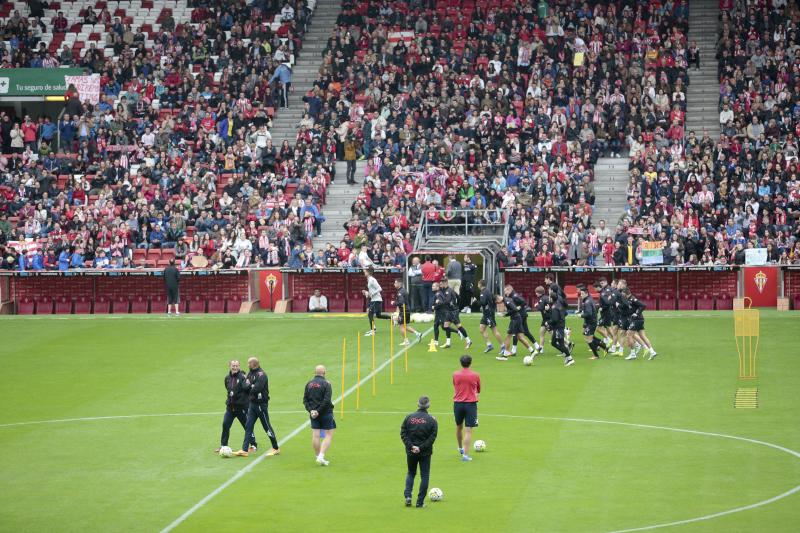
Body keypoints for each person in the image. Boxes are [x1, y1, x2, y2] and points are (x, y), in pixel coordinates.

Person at [235, 357, 280, 457]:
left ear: (253, 364)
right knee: (248, 426)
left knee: (266, 426)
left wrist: (250, 386)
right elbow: (244, 386)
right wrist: (251, 385)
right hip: (252, 404)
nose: (247, 365)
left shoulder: (262, 375)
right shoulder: (250, 373)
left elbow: (257, 388)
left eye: (248, 363)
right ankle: (244, 449)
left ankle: (276, 448)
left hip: (261, 405)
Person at [400, 395, 438, 508]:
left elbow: (403, 433)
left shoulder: (409, 417)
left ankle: (408, 496)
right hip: (425, 453)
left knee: (411, 473)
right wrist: (420, 448)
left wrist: (411, 446)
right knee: (424, 475)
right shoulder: (432, 420)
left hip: (411, 452)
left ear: (418, 404)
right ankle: (419, 502)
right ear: (428, 405)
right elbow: (432, 438)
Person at [216, 360, 256, 453]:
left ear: (239, 366)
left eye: (236, 366)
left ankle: (253, 445)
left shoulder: (242, 377)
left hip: (241, 408)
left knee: (247, 426)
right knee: (225, 424)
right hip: (230, 408)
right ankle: (223, 446)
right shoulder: (227, 378)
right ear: (230, 366)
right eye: (233, 365)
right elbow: (228, 389)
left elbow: (247, 389)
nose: (235, 367)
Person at [303, 365, 335, 466]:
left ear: (315, 372)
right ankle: (321, 456)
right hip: (325, 413)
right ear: (324, 372)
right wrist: (318, 411)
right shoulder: (326, 384)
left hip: (313, 414)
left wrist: (311, 411)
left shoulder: (309, 384)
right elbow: (326, 400)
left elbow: (305, 400)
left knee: (315, 435)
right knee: (329, 434)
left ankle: (318, 457)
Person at [453, 355, 480, 462]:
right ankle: (465, 455)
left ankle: (460, 448)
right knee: (468, 430)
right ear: (470, 363)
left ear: (461, 363)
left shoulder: (455, 374)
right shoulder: (475, 375)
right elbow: (478, 389)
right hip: (471, 404)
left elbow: (455, 385)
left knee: (458, 427)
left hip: (458, 404)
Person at [497, 285, 535, 361]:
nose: (505, 293)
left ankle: (505, 355)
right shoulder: (509, 298)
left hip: (516, 319)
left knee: (510, 336)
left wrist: (506, 314)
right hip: (517, 318)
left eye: (505, 291)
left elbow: (520, 305)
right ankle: (533, 351)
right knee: (520, 337)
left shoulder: (511, 298)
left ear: (509, 290)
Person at [622, 288, 658, 361]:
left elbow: (643, 305)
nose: (622, 295)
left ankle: (632, 354)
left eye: (623, 294)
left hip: (636, 320)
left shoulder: (632, 299)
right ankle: (652, 351)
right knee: (643, 336)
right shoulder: (629, 299)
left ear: (626, 293)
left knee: (628, 335)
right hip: (639, 320)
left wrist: (636, 313)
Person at [441, 276, 472, 349]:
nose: (441, 283)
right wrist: (456, 304)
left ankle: (468, 340)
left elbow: (447, 301)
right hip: (450, 311)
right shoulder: (449, 290)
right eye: (441, 282)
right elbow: (459, 297)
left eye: (442, 282)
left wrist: (440, 303)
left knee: (459, 326)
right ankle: (448, 343)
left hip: (453, 312)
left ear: (446, 282)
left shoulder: (448, 290)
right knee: (445, 326)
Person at [578, 285, 607, 360]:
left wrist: (581, 315)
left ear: (586, 293)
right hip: (589, 322)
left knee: (588, 339)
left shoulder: (587, 301)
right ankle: (604, 346)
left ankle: (596, 355)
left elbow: (589, 313)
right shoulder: (588, 299)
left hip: (591, 322)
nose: (581, 295)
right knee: (586, 335)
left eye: (582, 294)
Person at [548, 287, 575, 366]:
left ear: (552, 298)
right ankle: (567, 356)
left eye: (549, 297)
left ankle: (569, 358)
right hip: (559, 326)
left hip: (558, 327)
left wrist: (548, 323)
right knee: (553, 343)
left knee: (561, 344)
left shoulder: (554, 307)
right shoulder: (558, 304)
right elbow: (565, 313)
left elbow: (555, 319)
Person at [477, 279, 504, 353]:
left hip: (489, 314)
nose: (477, 285)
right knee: (482, 329)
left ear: (480, 284)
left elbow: (483, 302)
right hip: (486, 314)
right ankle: (489, 345)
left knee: (494, 331)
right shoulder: (488, 291)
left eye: (478, 284)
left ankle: (503, 346)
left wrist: (475, 302)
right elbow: (493, 300)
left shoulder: (483, 292)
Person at [393, 278, 422, 345]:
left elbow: (401, 302)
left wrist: (394, 303)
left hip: (404, 311)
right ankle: (418, 333)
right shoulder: (403, 291)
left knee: (401, 326)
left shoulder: (400, 292)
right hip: (406, 310)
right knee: (405, 326)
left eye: (395, 283)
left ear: (399, 284)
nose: (394, 284)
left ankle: (406, 341)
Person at [363, 267, 390, 336]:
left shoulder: (372, 279)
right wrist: (367, 293)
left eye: (365, 271)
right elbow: (372, 291)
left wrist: (372, 294)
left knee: (370, 314)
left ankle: (373, 331)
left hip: (376, 299)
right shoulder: (369, 279)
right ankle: (391, 317)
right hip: (374, 299)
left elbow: (379, 288)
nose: (364, 272)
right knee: (378, 315)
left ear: (368, 272)